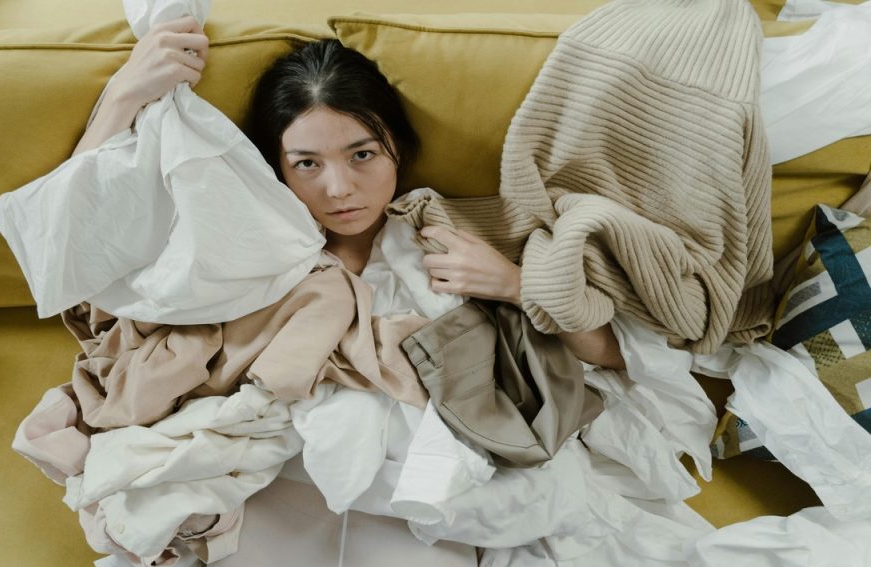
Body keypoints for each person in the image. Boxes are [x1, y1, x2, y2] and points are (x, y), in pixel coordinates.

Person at [73, 16, 625, 370]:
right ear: (278, 167)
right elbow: (80, 259)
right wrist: (124, 96)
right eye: (307, 163)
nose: (339, 190)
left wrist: (515, 285)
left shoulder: (452, 231)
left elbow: (611, 359)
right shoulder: (245, 233)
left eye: (362, 155)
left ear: (398, 150)